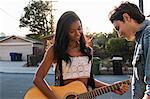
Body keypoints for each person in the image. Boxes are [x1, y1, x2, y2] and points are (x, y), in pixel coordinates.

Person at [33, 11, 128, 99]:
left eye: (79, 28)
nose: (78, 33)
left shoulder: (87, 51)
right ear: (64, 32)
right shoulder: (54, 50)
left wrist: (111, 87)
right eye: (72, 31)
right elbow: (38, 79)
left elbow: (88, 81)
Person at [109, 1, 150, 99]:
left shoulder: (148, 35)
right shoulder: (140, 39)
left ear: (126, 17)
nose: (119, 34)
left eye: (118, 28)